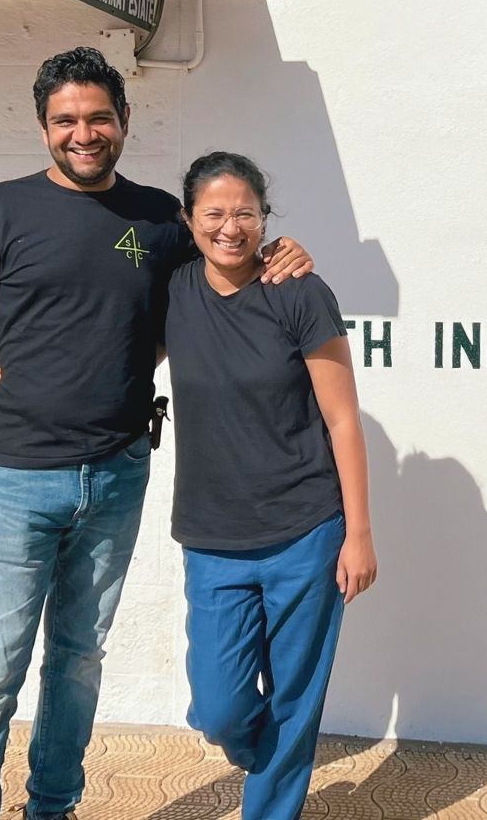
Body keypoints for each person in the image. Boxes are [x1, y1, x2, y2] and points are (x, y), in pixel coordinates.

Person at [0, 48, 313, 820]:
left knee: (77, 661)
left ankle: (54, 806)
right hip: (15, 476)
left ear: (124, 121)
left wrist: (284, 251)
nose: (84, 132)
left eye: (98, 116)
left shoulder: (156, 219)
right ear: (43, 128)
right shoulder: (1, 210)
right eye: (66, 120)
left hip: (116, 473)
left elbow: (212, 284)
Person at [168, 151, 378, 820]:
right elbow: (98, 345)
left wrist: (359, 535)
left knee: (296, 696)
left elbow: (343, 420)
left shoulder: (301, 293)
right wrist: (8, 374)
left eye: (246, 214)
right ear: (188, 220)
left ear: (265, 218)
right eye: (215, 214)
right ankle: (266, 750)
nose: (231, 228)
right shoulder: (171, 290)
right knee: (221, 708)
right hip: (211, 536)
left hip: (306, 531)